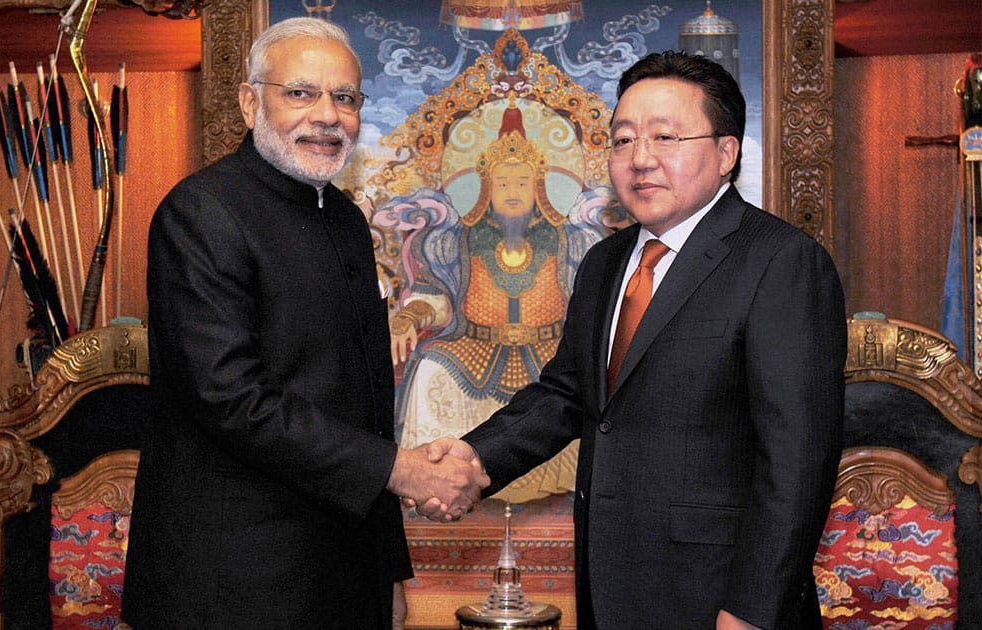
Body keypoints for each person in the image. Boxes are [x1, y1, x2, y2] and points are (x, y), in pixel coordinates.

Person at [418, 50, 846, 629]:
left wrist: (751, 611)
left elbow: (798, 462)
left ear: (726, 153)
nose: (640, 159)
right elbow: (567, 395)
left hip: (718, 599)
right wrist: (474, 459)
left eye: (665, 137)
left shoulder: (782, 262)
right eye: (622, 140)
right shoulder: (605, 262)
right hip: (611, 588)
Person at [122, 17, 488, 630]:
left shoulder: (344, 219)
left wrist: (388, 569)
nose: (327, 115)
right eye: (300, 93)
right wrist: (401, 470)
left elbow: (368, 405)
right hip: (233, 581)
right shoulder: (201, 213)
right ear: (249, 102)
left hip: (342, 575)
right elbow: (229, 397)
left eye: (345, 98)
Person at [387, 98, 607, 503]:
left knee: (584, 387)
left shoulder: (571, 241)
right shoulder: (459, 241)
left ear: (538, 186)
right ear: (486, 187)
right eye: (502, 183)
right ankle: (432, 487)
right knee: (429, 372)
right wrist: (410, 317)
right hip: (473, 349)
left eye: (521, 183)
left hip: (547, 354)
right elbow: (436, 297)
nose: (512, 192)